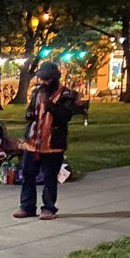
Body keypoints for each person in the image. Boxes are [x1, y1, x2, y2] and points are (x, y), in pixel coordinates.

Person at [14, 61, 79, 221]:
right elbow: (31, 111)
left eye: (46, 79)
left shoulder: (67, 95)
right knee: (28, 175)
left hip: (52, 145)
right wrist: (29, 114)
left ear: (55, 79)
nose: (43, 82)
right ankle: (26, 207)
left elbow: (66, 116)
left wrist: (48, 104)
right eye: (41, 79)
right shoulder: (37, 92)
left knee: (50, 178)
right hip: (33, 142)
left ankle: (48, 208)